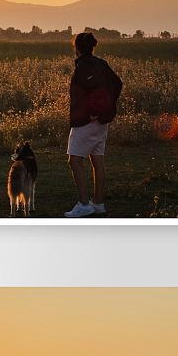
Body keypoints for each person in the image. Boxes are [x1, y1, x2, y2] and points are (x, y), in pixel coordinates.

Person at [64, 32, 122, 218]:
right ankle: (97, 204)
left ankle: (83, 205)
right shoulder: (100, 63)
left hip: (87, 122)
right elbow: (117, 83)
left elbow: (96, 89)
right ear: (92, 47)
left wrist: (96, 111)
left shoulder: (84, 66)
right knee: (97, 161)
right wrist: (107, 108)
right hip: (100, 123)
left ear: (76, 48)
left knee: (74, 160)